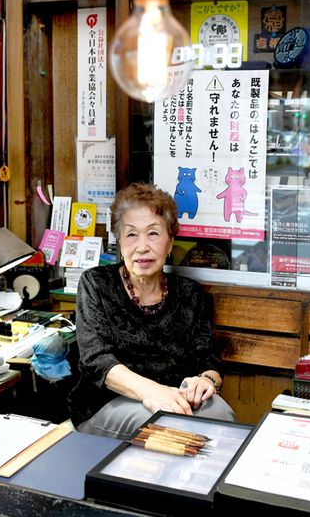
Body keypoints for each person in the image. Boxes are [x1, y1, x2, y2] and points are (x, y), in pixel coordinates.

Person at [69, 183, 235, 438]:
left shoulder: (189, 293)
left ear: (170, 243)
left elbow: (208, 360)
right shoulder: (97, 283)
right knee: (164, 427)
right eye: (131, 235)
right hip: (107, 402)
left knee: (221, 415)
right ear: (119, 242)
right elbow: (96, 360)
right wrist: (153, 392)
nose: (142, 246)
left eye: (153, 234)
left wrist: (206, 381)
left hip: (175, 399)